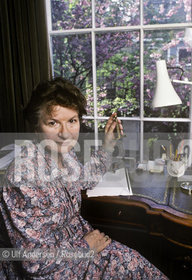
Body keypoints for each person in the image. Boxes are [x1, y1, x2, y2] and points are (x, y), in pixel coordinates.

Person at [0, 78, 168, 279]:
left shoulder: (65, 155)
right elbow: (33, 262)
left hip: (85, 244)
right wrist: (85, 246)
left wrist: (107, 145)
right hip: (57, 269)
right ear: (37, 128)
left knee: (136, 263)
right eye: (53, 123)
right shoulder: (23, 177)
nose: (65, 133)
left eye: (72, 121)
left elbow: (85, 178)